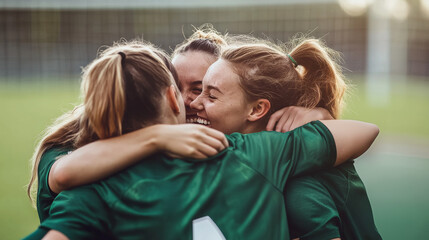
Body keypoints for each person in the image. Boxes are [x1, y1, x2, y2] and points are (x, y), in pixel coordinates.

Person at [30, 26, 380, 239]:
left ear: (256, 108)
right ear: (166, 94)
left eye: (205, 91)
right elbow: (60, 173)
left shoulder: (274, 164)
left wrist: (317, 115)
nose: (190, 102)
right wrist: (157, 137)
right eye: (178, 87)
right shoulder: (72, 150)